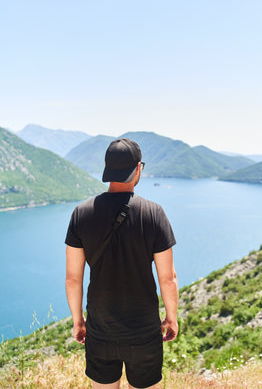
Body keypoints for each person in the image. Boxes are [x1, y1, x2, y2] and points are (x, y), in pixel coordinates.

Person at [65, 138, 178, 389]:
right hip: (144, 333)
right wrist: (171, 317)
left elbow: (73, 278)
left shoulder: (81, 213)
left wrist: (78, 320)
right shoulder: (153, 213)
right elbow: (167, 278)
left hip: (100, 331)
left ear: (107, 168)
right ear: (138, 169)